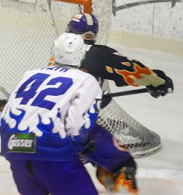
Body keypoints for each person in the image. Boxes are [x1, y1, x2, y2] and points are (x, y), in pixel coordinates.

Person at [66, 12, 174, 194]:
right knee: (122, 164)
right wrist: (159, 81)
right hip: (77, 129)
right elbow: (134, 72)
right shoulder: (98, 53)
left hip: (40, 129)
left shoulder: (57, 53)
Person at [0, 32, 103, 195]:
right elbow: (76, 124)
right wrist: (82, 145)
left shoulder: (30, 74)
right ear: (82, 54)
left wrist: (17, 145)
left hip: (15, 147)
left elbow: (7, 113)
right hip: (54, 155)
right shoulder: (86, 80)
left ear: (54, 51)